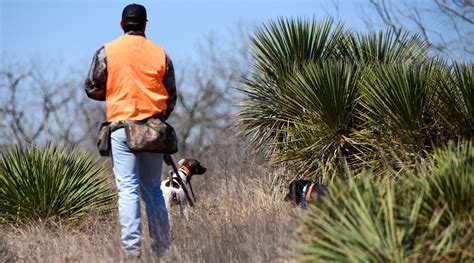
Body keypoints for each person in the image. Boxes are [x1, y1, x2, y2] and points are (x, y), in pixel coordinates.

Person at [84, 3, 176, 257]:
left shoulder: (107, 51)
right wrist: (156, 118)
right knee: (153, 190)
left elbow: (91, 87)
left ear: (122, 24)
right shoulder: (160, 53)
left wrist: (114, 90)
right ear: (146, 25)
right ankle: (161, 251)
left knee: (127, 190)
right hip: (153, 131)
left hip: (121, 129)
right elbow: (171, 97)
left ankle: (132, 252)